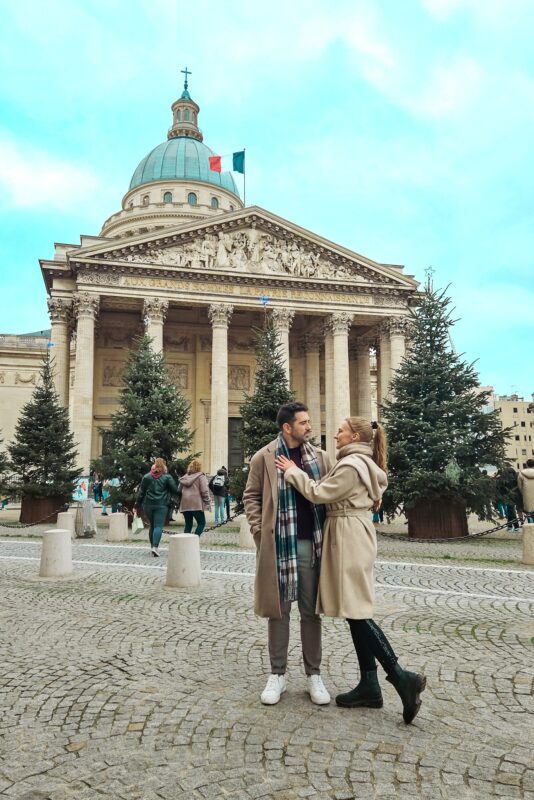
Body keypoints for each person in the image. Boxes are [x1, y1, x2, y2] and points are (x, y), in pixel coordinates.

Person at [275, 416, 427, 725]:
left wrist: (292, 472)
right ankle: (369, 685)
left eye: (341, 430)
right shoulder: (362, 462)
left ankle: (400, 677)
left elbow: (319, 493)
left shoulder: (349, 465)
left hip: (347, 534)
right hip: (352, 530)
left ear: (355, 435)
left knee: (357, 612)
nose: (336, 433)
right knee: (354, 609)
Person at [243, 401, 332, 706]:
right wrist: (259, 531)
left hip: (311, 544)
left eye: (309, 421)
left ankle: (314, 674)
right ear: (287, 427)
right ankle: (277, 674)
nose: (309, 426)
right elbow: (251, 496)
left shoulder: (320, 458)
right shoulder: (264, 458)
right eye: (304, 422)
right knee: (278, 613)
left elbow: (333, 492)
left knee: (311, 612)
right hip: (280, 545)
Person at [136, 458, 179, 557]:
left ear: (154, 465)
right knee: (158, 526)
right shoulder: (167, 477)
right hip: (162, 504)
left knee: (152, 525)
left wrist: (137, 504)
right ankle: (155, 547)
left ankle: (152, 546)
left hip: (148, 504)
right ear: (164, 466)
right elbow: (175, 490)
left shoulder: (147, 476)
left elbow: (141, 492)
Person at [179, 459, 211, 536]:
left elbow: (179, 489)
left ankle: (185, 541)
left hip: (185, 503)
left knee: (188, 524)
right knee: (201, 523)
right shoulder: (201, 476)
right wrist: (207, 501)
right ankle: (195, 540)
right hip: (196, 504)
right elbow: (204, 490)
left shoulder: (184, 477)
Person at [518, 459, 534, 524]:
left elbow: (520, 486)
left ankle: (531, 527)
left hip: (526, 496)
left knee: (528, 512)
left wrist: (524, 493)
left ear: (527, 465)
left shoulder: (521, 473)